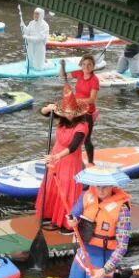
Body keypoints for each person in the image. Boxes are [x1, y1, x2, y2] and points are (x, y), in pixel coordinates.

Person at [66, 166, 135, 278]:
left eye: (105, 187)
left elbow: (122, 247)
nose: (101, 190)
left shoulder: (122, 210)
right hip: (84, 251)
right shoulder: (86, 195)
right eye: (98, 186)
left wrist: (104, 271)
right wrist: (71, 221)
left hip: (103, 259)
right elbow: (73, 215)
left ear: (112, 186)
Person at [37, 87, 90, 231]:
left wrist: (56, 157)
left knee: (66, 189)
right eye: (67, 113)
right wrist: (49, 108)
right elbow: (42, 112)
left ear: (78, 113)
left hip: (69, 159)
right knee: (51, 185)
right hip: (56, 156)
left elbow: (73, 146)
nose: (69, 116)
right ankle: (50, 215)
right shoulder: (63, 118)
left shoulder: (82, 126)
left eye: (72, 113)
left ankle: (66, 222)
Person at [61, 55, 100, 164]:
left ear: (93, 66)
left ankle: (91, 162)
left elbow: (92, 99)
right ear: (81, 65)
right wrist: (62, 66)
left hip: (87, 111)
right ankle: (69, 158)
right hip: (76, 110)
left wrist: (77, 101)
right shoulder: (79, 73)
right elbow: (63, 75)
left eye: (89, 65)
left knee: (86, 139)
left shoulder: (94, 80)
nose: (86, 67)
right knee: (70, 135)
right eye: (84, 64)